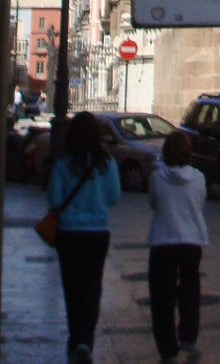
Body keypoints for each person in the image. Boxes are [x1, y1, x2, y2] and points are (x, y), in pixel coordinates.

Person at [47, 109, 121, 364]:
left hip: (68, 233)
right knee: (92, 288)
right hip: (97, 233)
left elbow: (55, 199)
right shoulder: (107, 163)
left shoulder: (63, 164)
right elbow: (114, 196)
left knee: (72, 288)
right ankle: (85, 342)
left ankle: (74, 337)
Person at [147, 129, 209, 362]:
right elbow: (200, 202)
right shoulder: (199, 178)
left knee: (161, 298)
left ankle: (167, 348)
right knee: (190, 291)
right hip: (192, 240)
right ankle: (189, 336)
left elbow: (153, 203)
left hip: (163, 240)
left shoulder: (156, 177)